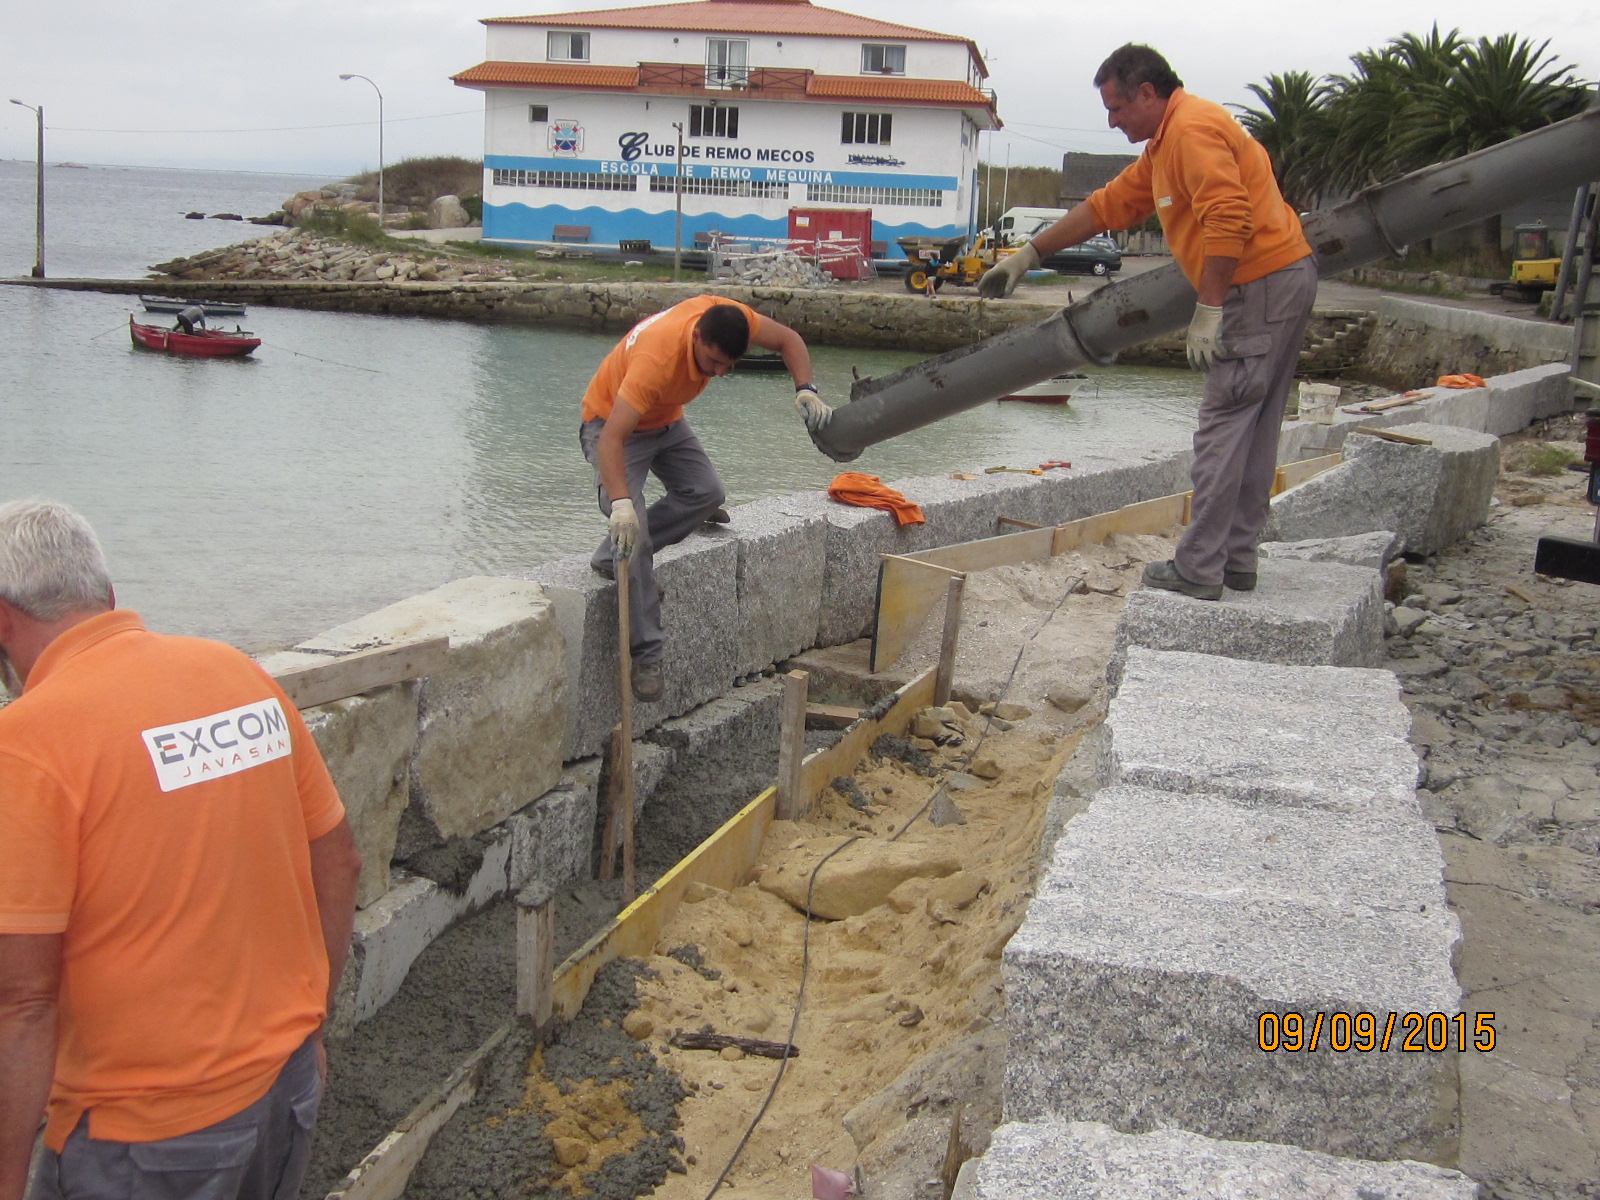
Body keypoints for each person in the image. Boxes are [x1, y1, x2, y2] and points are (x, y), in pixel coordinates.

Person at [0, 499, 361, 1200]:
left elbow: (22, 1002)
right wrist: (311, 1022)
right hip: (283, 1091)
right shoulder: (237, 675)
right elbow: (340, 861)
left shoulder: (30, 744)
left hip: (142, 1137)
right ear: (105, 597)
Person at [980, 44, 1317, 600]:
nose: (1111, 121)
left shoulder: (1190, 132)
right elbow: (1106, 206)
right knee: (1255, 428)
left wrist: (1209, 309)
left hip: (1257, 286)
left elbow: (1228, 216)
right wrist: (1029, 254)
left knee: (1225, 424)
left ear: (1146, 93)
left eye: (1116, 108)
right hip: (1282, 277)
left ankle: (1201, 568)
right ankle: (1236, 559)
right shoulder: (1168, 142)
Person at [581, 295, 828, 701]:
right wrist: (621, 504)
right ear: (696, 336)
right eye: (714, 363)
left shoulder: (732, 318)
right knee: (634, 534)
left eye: (729, 366)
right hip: (612, 426)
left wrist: (805, 389)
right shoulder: (655, 360)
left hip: (666, 421)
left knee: (706, 493)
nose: (720, 373)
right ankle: (647, 654)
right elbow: (611, 440)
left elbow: (789, 340)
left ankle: (611, 556)